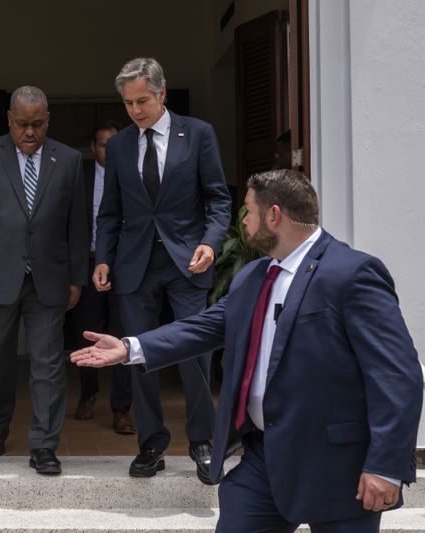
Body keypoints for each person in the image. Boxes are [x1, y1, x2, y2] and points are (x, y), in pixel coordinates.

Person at [72, 168, 422, 533]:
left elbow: (398, 374)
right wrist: (131, 347)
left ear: (274, 215)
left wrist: (385, 466)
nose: (243, 222)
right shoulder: (254, 275)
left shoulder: (352, 273)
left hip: (337, 465)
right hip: (262, 460)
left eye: (249, 212)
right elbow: (205, 326)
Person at [94, 57, 232, 478]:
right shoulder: (118, 146)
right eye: (128, 103)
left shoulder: (199, 134)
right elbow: (109, 212)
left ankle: (203, 441)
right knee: (137, 357)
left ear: (162, 94)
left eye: (143, 101)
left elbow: (219, 200)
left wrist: (210, 244)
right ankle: (151, 445)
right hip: (134, 267)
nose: (135, 110)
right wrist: (102, 258)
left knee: (195, 354)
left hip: (186, 264)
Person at [0, 85, 88, 475]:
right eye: (22, 124)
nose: (30, 133)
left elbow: (77, 225)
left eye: (38, 125)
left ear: (49, 120)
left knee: (48, 364)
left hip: (50, 279)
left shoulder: (71, 159)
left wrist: (76, 277)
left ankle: (44, 445)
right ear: (8, 120)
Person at [68, 121, 134, 434]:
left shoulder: (133, 172)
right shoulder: (79, 176)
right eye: (103, 144)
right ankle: (88, 395)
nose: (109, 149)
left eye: (114, 143)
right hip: (88, 264)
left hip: (125, 268)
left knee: (124, 335)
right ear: (94, 148)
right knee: (87, 333)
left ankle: (122, 408)